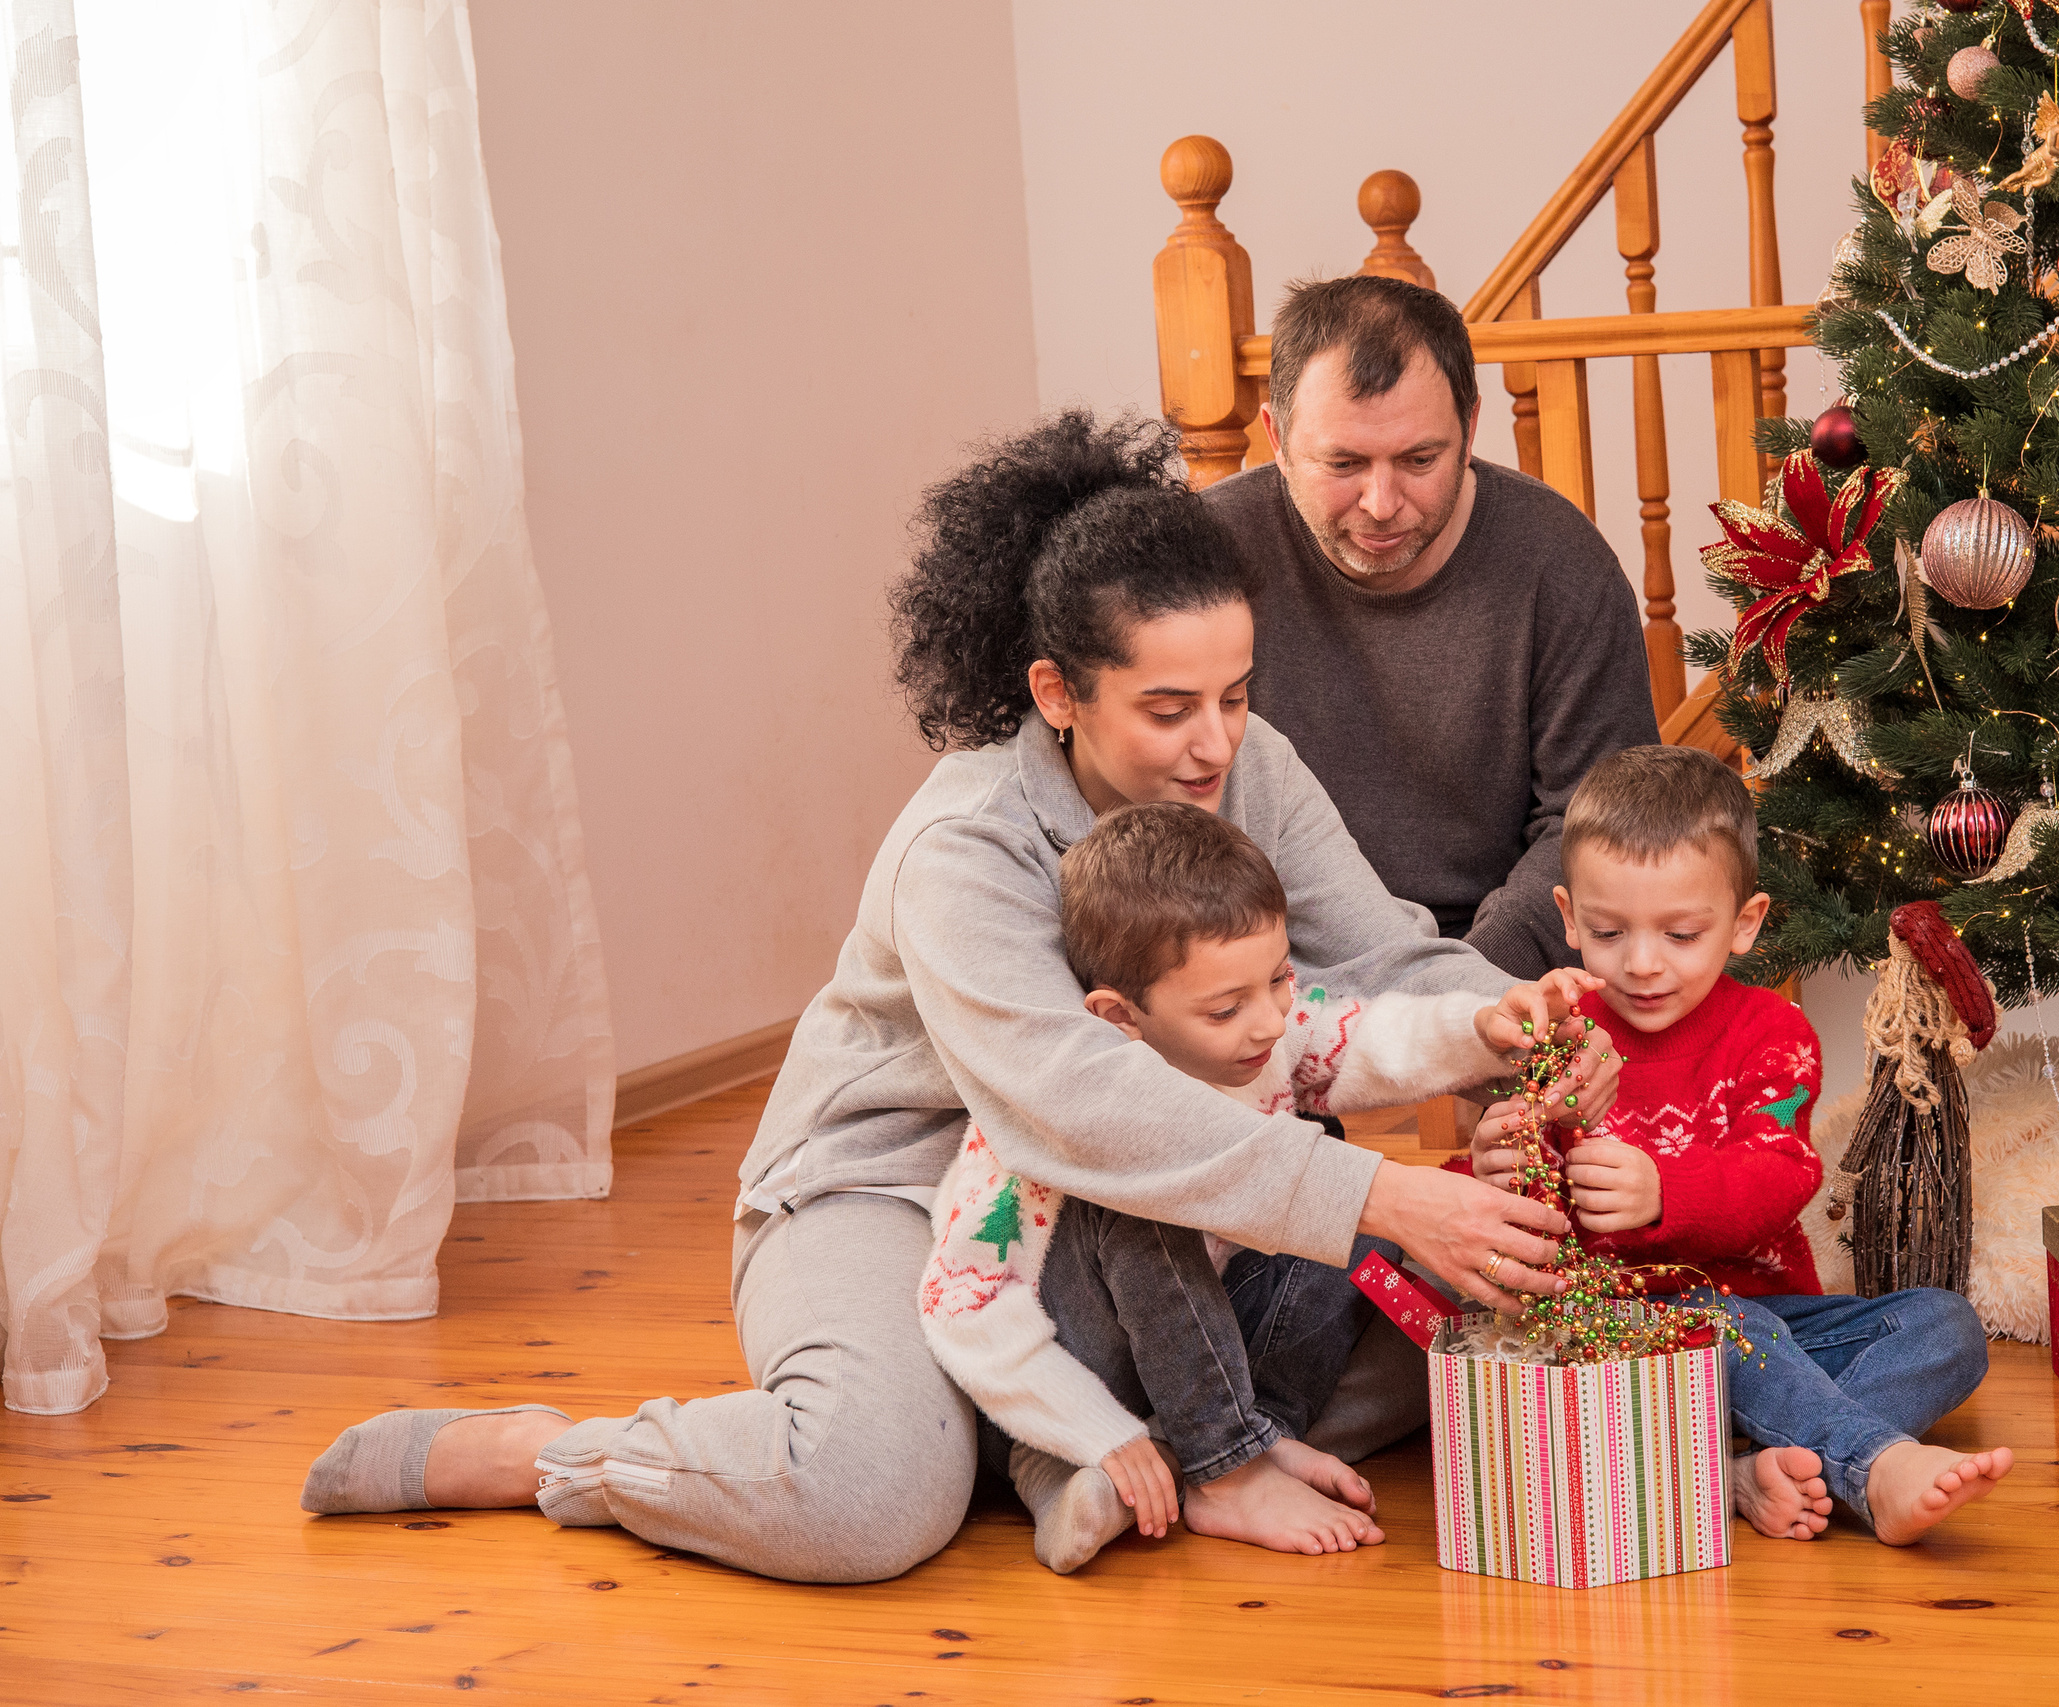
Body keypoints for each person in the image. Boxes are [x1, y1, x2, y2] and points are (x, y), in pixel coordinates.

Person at [298, 410, 1615, 1584]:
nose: (1215, 740)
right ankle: (561, 1451)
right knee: (868, 1499)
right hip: (893, 1196)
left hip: (1120, 1220)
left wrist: (1522, 1024)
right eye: (1168, 707)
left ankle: (1060, 1430)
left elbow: (1384, 957)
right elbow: (1074, 1103)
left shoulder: (1244, 762)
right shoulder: (967, 840)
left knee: (1461, 1339)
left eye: (1234, 692)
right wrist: (1378, 1195)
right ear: (1057, 692)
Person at [920, 802, 1598, 1573]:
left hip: (1204, 1349)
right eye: (1226, 1007)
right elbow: (964, 1306)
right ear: (1120, 1017)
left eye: (1278, 978)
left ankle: (1239, 1436)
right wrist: (1092, 1429)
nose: (1270, 1021)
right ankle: (1217, 1469)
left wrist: (1480, 1025)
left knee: (1356, 1203)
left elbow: (1365, 1034)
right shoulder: (1037, 1145)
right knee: (1150, 1203)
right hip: (1077, 1364)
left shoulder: (1266, 1037)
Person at [1461, 745, 2014, 1545]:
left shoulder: (1772, 1034)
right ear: (1570, 916)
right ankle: (1868, 1462)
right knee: (1714, 1322)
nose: (1643, 963)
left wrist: (1665, 1193)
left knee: (1946, 1329)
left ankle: (1736, 1464)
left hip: (1765, 1319)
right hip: (1619, 1337)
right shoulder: (1563, 1033)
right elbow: (1516, 1220)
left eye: (1682, 933)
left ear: (1745, 922)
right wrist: (1494, 1167)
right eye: (1610, 931)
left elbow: (1780, 1173)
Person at [1202, 274, 1662, 980]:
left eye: (1420, 460)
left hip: (1497, 962)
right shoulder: (1202, 553)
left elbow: (1593, 823)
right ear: (1276, 436)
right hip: (1255, 967)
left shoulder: (1563, 566)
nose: (1382, 503)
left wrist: (1452, 1000)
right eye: (1344, 463)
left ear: (1471, 428)